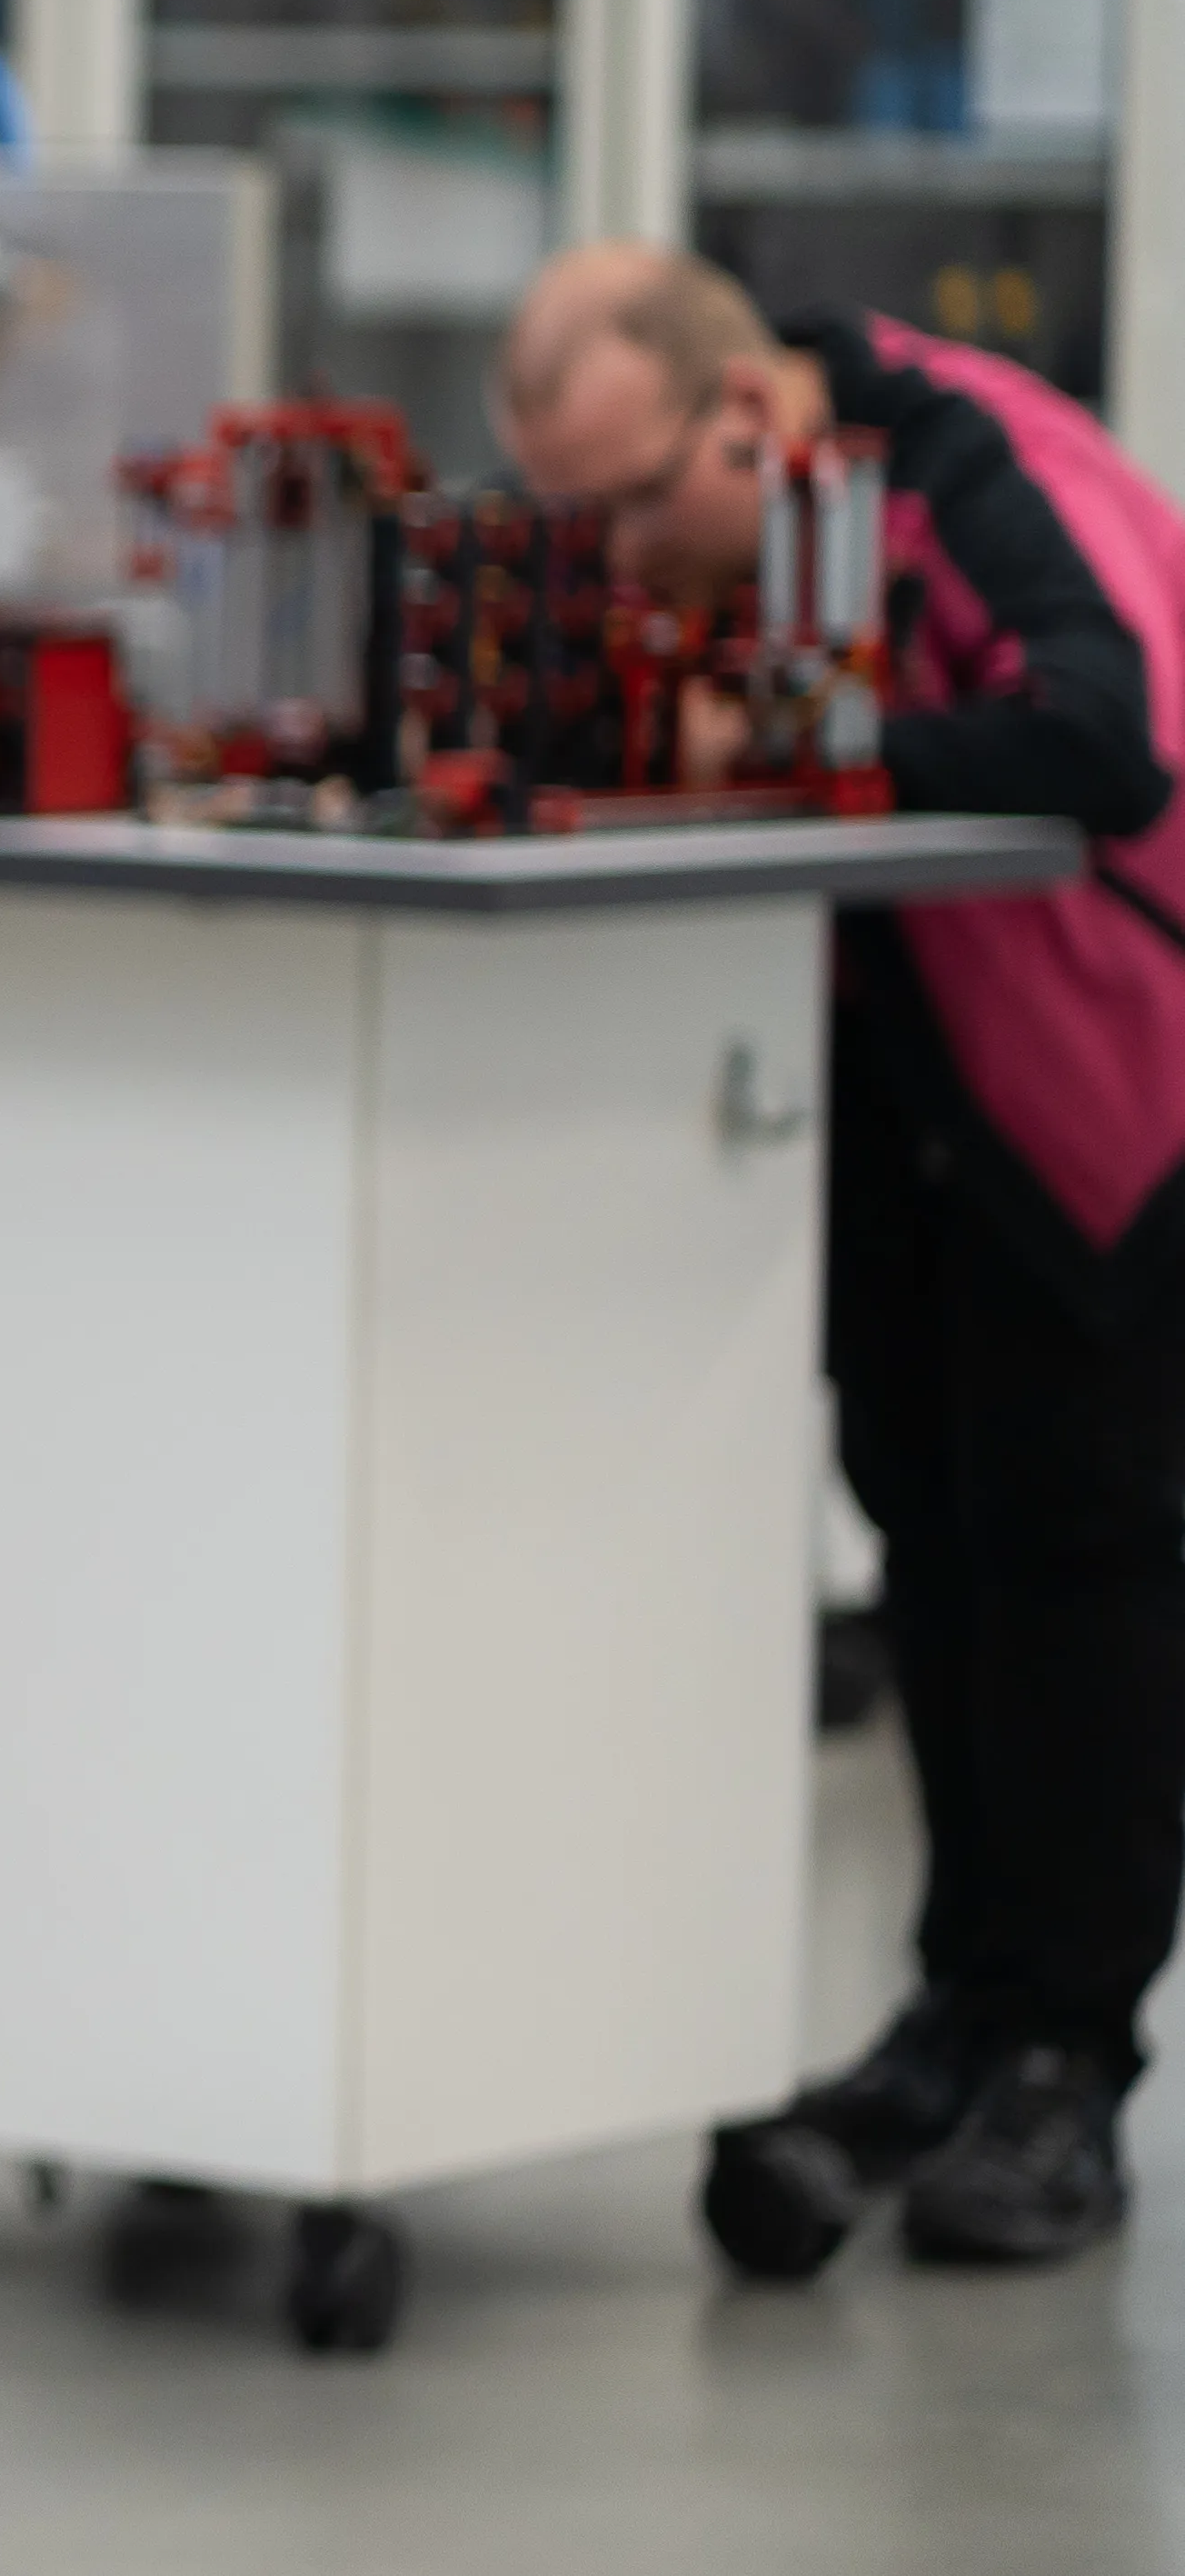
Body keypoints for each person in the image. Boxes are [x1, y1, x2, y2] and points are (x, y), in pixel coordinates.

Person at [497, 244, 1185, 2270]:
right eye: (573, 512)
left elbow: (1105, 733)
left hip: (1111, 1082)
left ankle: (1071, 2054)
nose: (617, 551)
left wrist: (797, 751)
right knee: (931, 1536)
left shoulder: (979, 463)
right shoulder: (738, 511)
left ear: (754, 413)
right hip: (897, 1081)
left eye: (635, 502)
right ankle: (962, 2000)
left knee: (1081, 1551)